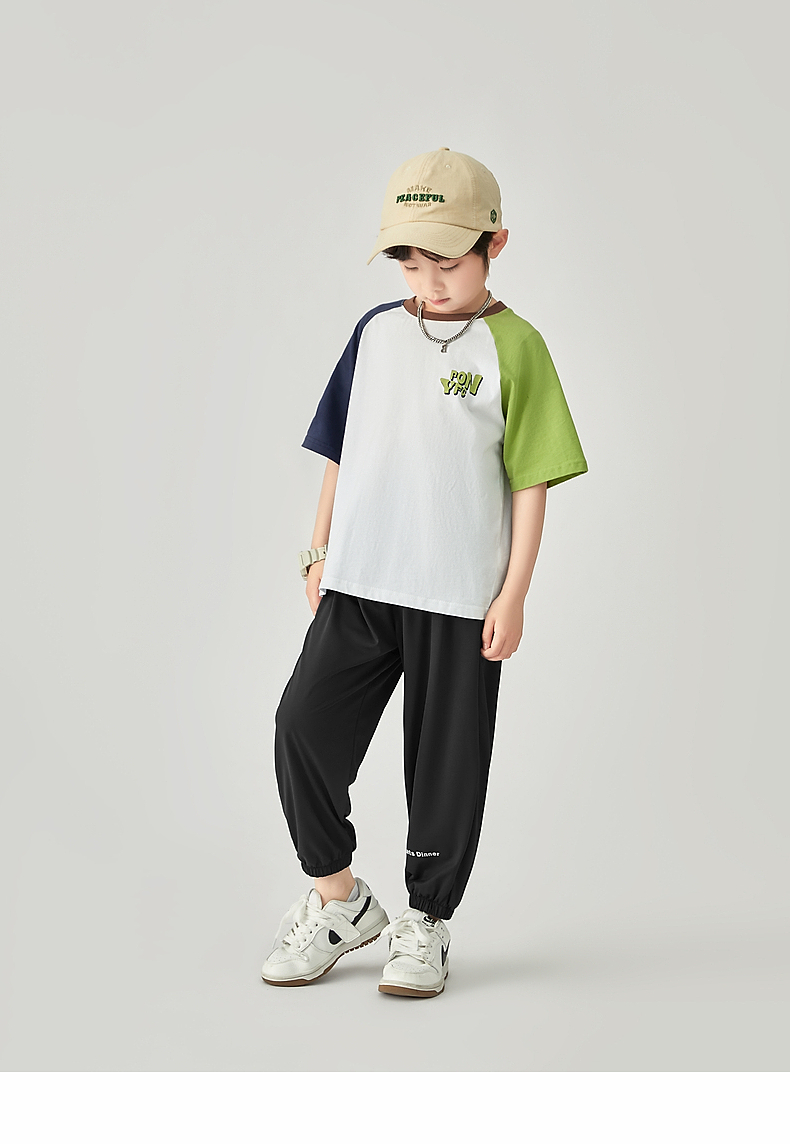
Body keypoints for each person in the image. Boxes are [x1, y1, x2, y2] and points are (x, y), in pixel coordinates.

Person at [261, 148, 588, 998]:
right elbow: (340, 448)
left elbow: (531, 480)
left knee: (445, 769)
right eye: (410, 261)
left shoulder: (518, 347)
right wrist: (319, 547)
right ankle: (340, 900)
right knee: (301, 729)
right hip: (361, 583)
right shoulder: (375, 333)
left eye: (446, 260)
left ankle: (425, 922)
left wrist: (514, 592)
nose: (428, 281)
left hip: (458, 597)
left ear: (494, 243)